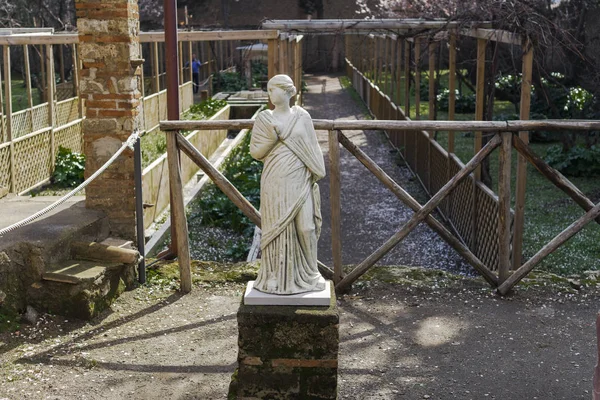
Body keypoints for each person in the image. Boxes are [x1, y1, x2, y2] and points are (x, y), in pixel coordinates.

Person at [250, 74, 327, 295]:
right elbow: (256, 153)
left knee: (307, 227)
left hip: (300, 179)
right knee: (276, 230)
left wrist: (316, 170)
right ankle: (274, 275)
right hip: (275, 180)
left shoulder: (303, 117)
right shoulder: (264, 118)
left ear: (286, 91)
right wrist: (271, 140)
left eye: (273, 89)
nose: (270, 94)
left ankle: (311, 273)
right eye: (269, 90)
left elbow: (313, 147)